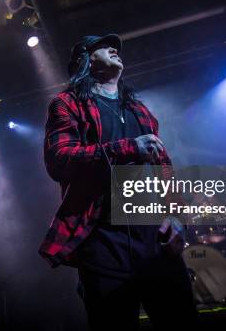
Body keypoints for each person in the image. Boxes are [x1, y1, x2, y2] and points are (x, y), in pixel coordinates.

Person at [39, 34, 197, 329]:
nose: (115, 49)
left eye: (115, 47)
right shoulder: (67, 103)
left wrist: (177, 216)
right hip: (102, 240)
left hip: (155, 239)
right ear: (85, 59)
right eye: (103, 46)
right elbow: (59, 160)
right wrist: (128, 148)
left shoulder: (139, 110)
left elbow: (164, 167)